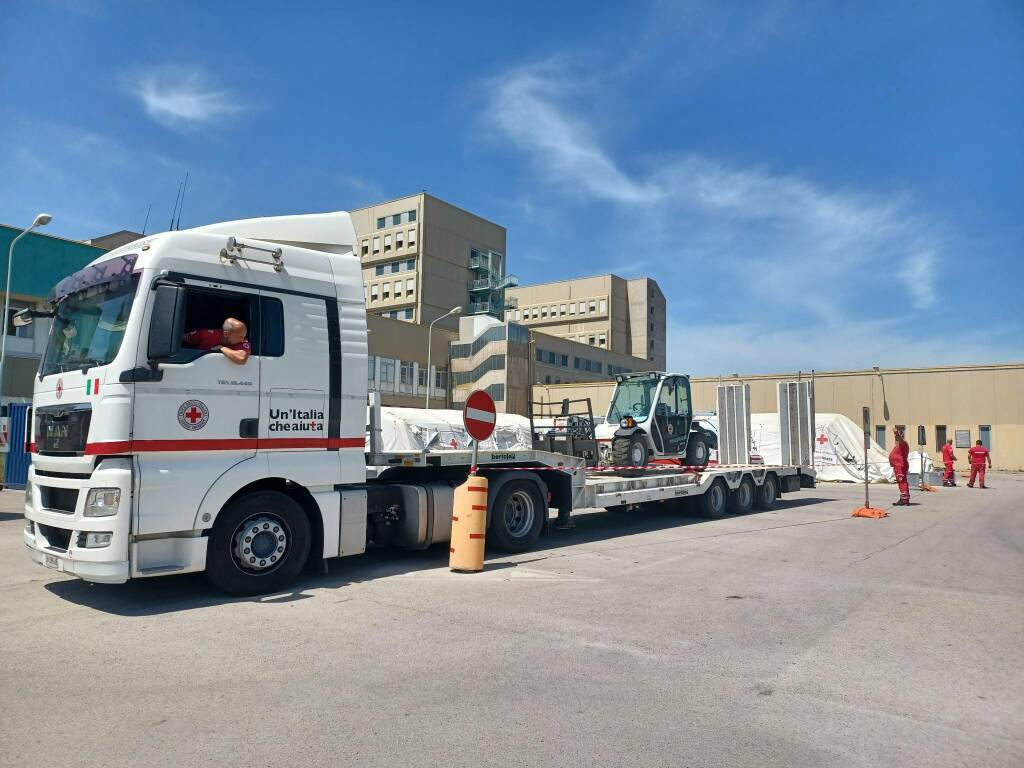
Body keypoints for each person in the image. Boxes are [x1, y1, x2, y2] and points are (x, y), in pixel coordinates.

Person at [183, 317, 251, 365]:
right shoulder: (205, 335)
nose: (243, 339)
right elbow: (180, 338)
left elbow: (241, 358)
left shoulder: (243, 342)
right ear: (226, 334)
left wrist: (221, 347)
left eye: (244, 336)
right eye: (240, 336)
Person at [889, 426, 911, 506]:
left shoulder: (903, 444)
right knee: (901, 481)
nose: (896, 439)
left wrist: (896, 433)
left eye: (897, 438)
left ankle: (904, 500)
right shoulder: (899, 445)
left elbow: (901, 440)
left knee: (902, 481)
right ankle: (904, 498)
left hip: (900, 465)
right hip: (898, 465)